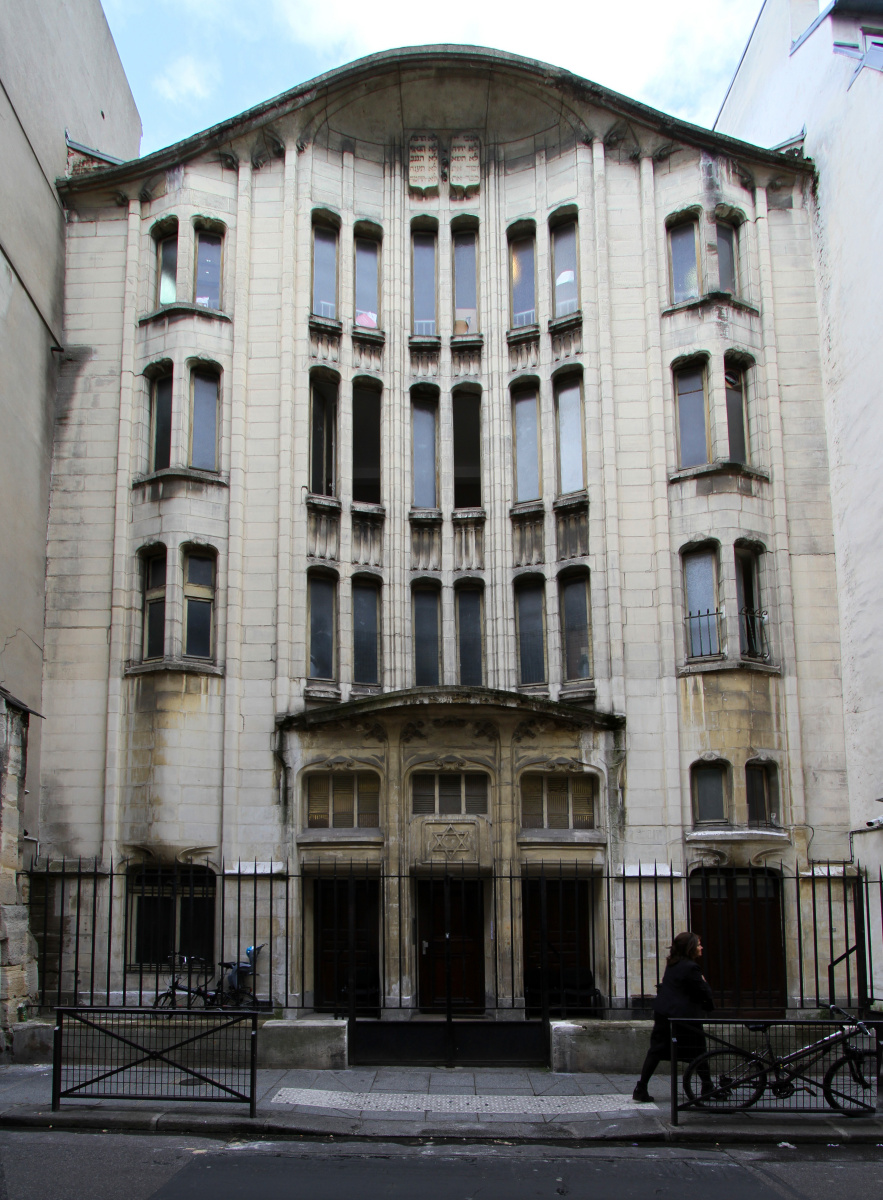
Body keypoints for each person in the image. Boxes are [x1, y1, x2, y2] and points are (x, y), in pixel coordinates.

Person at [633, 930, 713, 1102]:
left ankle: (641, 1087)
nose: (702, 947)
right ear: (691, 948)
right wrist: (704, 983)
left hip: (664, 1014)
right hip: (683, 1018)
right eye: (699, 944)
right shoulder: (691, 968)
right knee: (698, 1050)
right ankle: (707, 1087)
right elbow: (704, 991)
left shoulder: (673, 964)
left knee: (656, 1050)